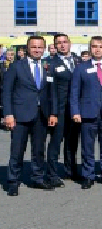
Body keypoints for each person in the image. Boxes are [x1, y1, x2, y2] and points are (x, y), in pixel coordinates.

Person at [3, 36, 54, 196]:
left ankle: (38, 178)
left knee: (39, 150)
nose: (37, 50)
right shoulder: (16, 66)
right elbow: (6, 92)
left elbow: (51, 93)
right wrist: (8, 114)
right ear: (27, 49)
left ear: (44, 49)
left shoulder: (48, 66)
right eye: (34, 47)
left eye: (40, 47)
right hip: (20, 115)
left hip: (42, 114)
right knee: (17, 150)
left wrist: (53, 113)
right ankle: (13, 181)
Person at [70, 36, 102, 190]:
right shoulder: (81, 67)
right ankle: (88, 175)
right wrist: (75, 111)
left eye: (101, 46)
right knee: (87, 147)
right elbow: (74, 91)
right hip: (87, 113)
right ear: (90, 48)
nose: (97, 49)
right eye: (94, 46)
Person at [47, 33, 82, 185]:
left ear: (70, 43)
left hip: (75, 109)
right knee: (55, 142)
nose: (62, 45)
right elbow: (51, 90)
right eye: (59, 43)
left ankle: (71, 170)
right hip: (59, 109)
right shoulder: (50, 64)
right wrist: (53, 112)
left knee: (72, 141)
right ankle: (52, 174)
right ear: (55, 46)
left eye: (64, 42)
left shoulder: (78, 61)